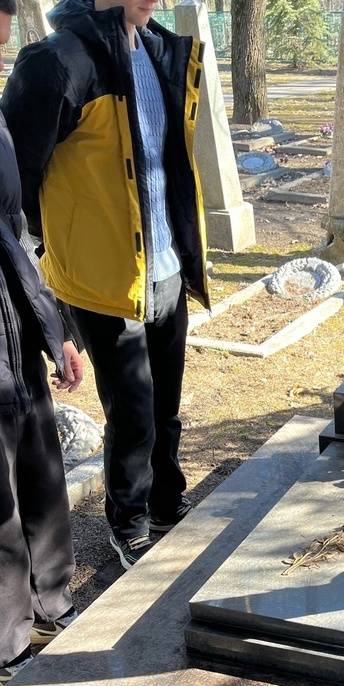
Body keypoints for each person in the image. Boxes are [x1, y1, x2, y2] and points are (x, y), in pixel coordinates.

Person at [2, 0, 209, 570]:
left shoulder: (162, 49)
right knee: (133, 411)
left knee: (165, 403)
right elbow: (18, 179)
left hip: (164, 263)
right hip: (102, 276)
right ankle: (130, 521)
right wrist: (54, 251)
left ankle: (165, 501)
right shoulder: (58, 61)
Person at [0, 0, 84, 685]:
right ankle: (8, 642)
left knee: (40, 464)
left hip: (12, 320)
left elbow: (14, 234)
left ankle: (53, 600)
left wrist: (55, 332)